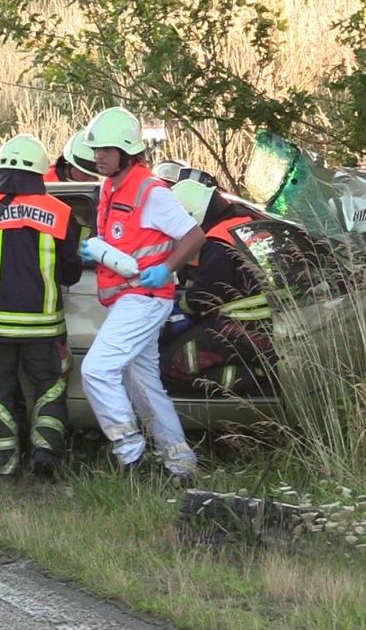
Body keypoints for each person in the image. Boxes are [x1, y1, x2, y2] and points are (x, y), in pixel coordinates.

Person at [79, 107, 205, 482]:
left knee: (96, 370)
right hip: (129, 298)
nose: (99, 155)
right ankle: (181, 466)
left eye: (107, 149)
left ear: (127, 151)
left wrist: (165, 269)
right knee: (144, 386)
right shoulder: (109, 188)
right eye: (96, 148)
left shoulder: (152, 191)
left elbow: (194, 236)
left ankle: (132, 457)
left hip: (146, 298)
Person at [0, 134, 82, 479]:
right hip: (44, 325)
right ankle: (45, 457)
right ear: (40, 171)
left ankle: (4, 467)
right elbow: (73, 272)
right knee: (49, 389)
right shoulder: (62, 213)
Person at [164, 176, 275, 394]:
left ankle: (252, 381)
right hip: (272, 324)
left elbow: (206, 294)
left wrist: (182, 304)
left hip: (242, 325)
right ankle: (259, 373)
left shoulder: (217, 243)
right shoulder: (244, 223)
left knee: (171, 362)